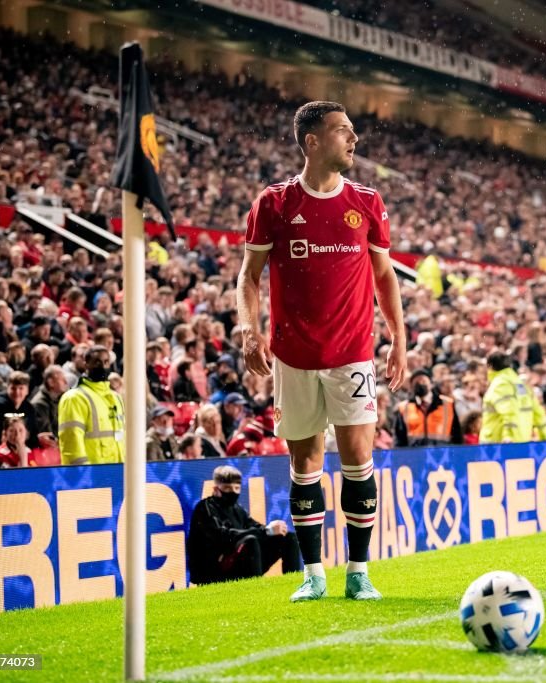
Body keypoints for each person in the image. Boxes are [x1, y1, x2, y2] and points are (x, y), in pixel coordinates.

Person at [237, 101, 406, 602]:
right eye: (343, 132)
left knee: (358, 461)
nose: (354, 140)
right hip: (293, 356)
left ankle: (358, 573)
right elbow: (248, 277)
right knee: (305, 465)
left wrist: (399, 339)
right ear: (312, 142)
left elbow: (384, 276)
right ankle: (313, 576)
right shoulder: (275, 203)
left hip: (354, 353)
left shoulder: (367, 201)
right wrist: (251, 330)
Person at [187, 465, 301, 585]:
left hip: (234, 564)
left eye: (236, 488)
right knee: (250, 541)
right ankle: (256, 590)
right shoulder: (205, 508)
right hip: (213, 570)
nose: (233, 492)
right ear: (216, 488)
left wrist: (270, 530)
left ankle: (293, 585)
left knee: (289, 538)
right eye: (227, 488)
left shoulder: (237, 509)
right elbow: (223, 536)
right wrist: (265, 531)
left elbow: (253, 526)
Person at [57, 345, 124, 465]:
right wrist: (84, 478)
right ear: (86, 364)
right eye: (97, 362)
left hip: (117, 474)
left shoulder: (116, 397)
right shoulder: (74, 398)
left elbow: (121, 438)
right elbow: (71, 444)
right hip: (93, 477)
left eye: (106, 362)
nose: (103, 366)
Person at [479, 352, 546, 444]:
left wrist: (508, 436)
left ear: (490, 366)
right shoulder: (521, 384)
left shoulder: (500, 384)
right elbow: (538, 412)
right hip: (522, 441)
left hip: (498, 444)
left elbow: (508, 412)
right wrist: (545, 436)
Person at [393, 368, 462, 447]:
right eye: (416, 382)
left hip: (442, 454)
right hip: (415, 455)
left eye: (423, 381)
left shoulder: (448, 404)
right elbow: (399, 438)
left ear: (431, 383)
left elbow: (457, 434)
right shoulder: (403, 408)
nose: (420, 384)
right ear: (411, 386)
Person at [0, 370, 36, 447]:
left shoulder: (29, 408)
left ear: (27, 390)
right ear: (7, 388)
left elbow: (33, 434)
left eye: (21, 388)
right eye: (13, 388)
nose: (17, 392)